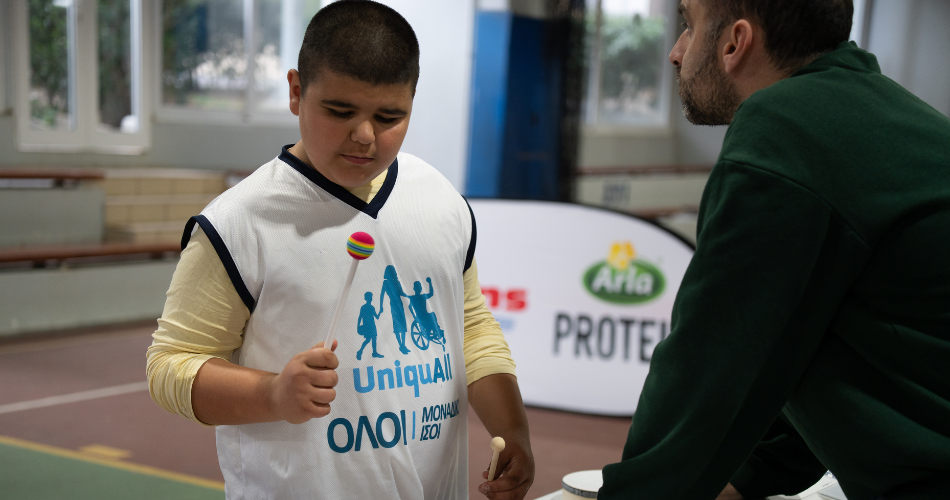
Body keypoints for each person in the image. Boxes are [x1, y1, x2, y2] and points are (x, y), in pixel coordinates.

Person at [146, 2, 534, 499]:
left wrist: (514, 431)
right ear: (296, 91)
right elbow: (170, 365)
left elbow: (470, 327)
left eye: (389, 116)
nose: (365, 135)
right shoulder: (238, 222)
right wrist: (272, 393)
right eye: (340, 111)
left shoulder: (440, 199)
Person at [598, 1, 950, 499]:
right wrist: (750, 476)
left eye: (689, 26)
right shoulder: (869, 112)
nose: (675, 52)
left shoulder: (785, 125)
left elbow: (710, 362)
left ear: (735, 43)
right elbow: (827, 350)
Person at [379, 264, 412, 354]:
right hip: (394, 304)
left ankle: (403, 345)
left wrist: (408, 296)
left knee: (403, 325)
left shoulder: (396, 282)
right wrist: (381, 306)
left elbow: (401, 292)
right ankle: (401, 345)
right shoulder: (386, 283)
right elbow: (382, 295)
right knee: (397, 325)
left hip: (399, 304)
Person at [356, 292, 384, 361]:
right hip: (368, 326)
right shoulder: (364, 307)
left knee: (372, 339)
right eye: (369, 297)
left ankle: (373, 352)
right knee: (369, 339)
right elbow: (360, 317)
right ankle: (361, 351)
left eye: (371, 297)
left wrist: (380, 312)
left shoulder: (371, 307)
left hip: (372, 325)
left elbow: (376, 317)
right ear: (366, 298)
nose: (371, 298)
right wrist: (358, 326)